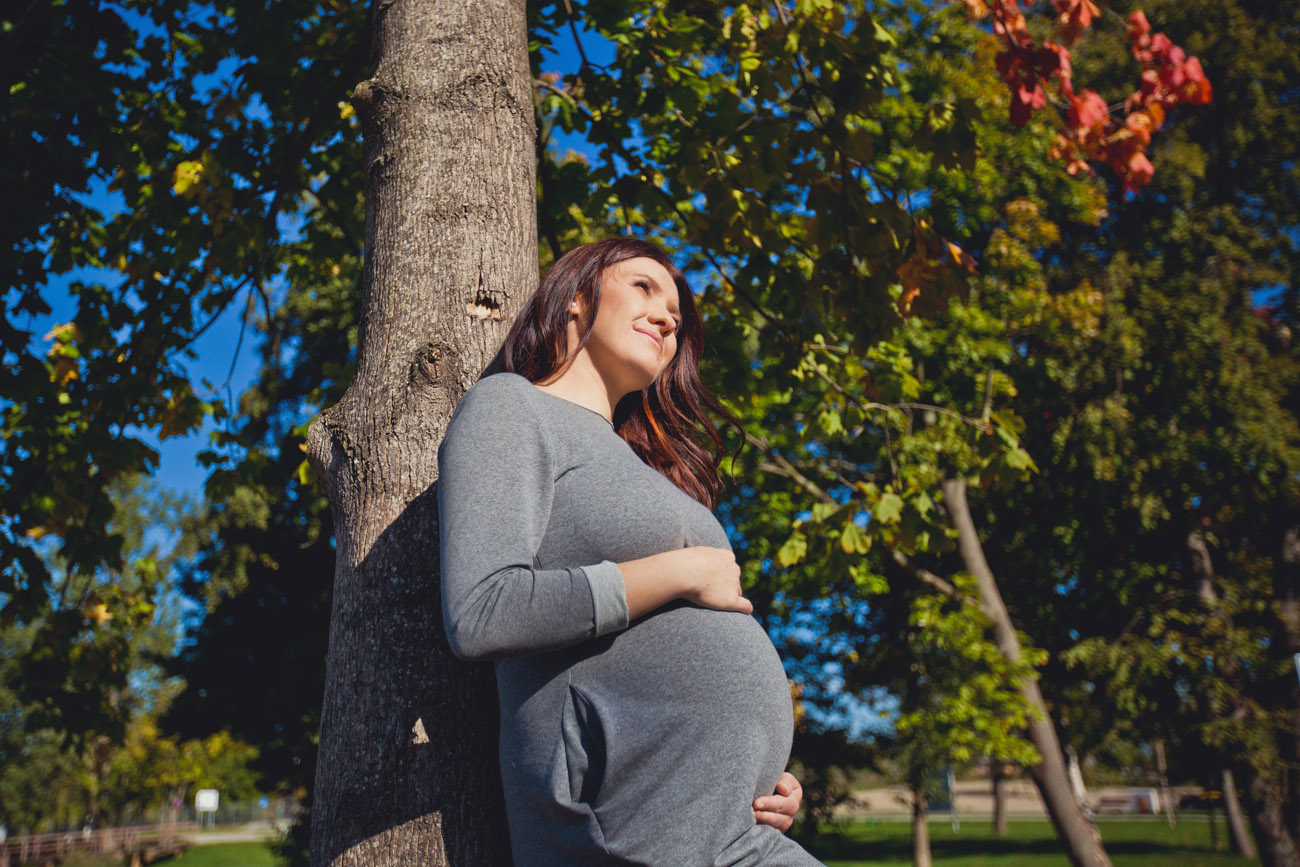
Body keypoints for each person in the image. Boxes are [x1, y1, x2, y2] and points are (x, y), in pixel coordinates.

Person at [437, 237, 824, 865]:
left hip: (711, 820)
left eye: (676, 310)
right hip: (622, 822)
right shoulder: (511, 405)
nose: (669, 316)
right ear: (575, 302)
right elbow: (482, 611)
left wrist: (754, 774)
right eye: (643, 287)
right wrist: (677, 572)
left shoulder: (641, 461)